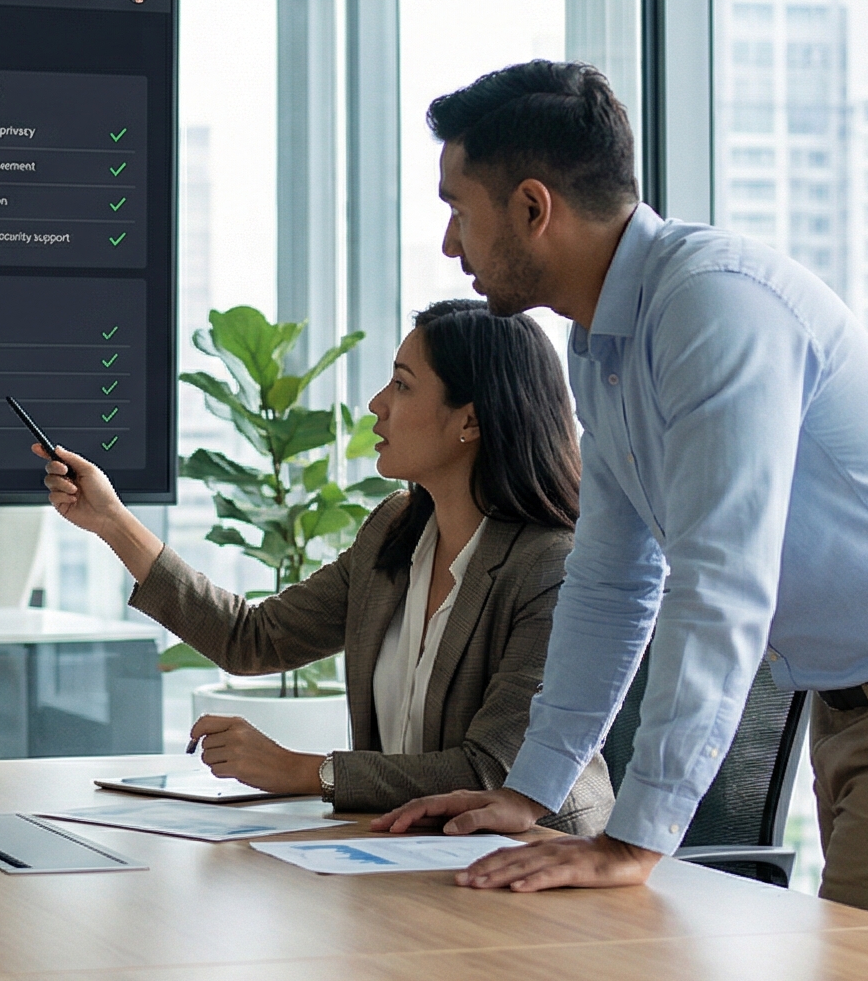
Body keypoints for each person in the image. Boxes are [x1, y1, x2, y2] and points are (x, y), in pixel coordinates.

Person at [375, 60, 868, 951]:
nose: (450, 244)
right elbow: (610, 583)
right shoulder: (605, 346)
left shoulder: (711, 307)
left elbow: (720, 583)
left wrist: (634, 841)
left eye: (458, 207)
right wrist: (532, 791)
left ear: (531, 207)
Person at [37, 298, 610, 829]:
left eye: (402, 386)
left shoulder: (553, 568)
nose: (377, 404)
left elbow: (493, 772)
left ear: (470, 421)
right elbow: (252, 639)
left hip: (539, 865)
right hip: (405, 850)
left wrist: (308, 771)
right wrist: (111, 520)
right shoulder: (394, 530)